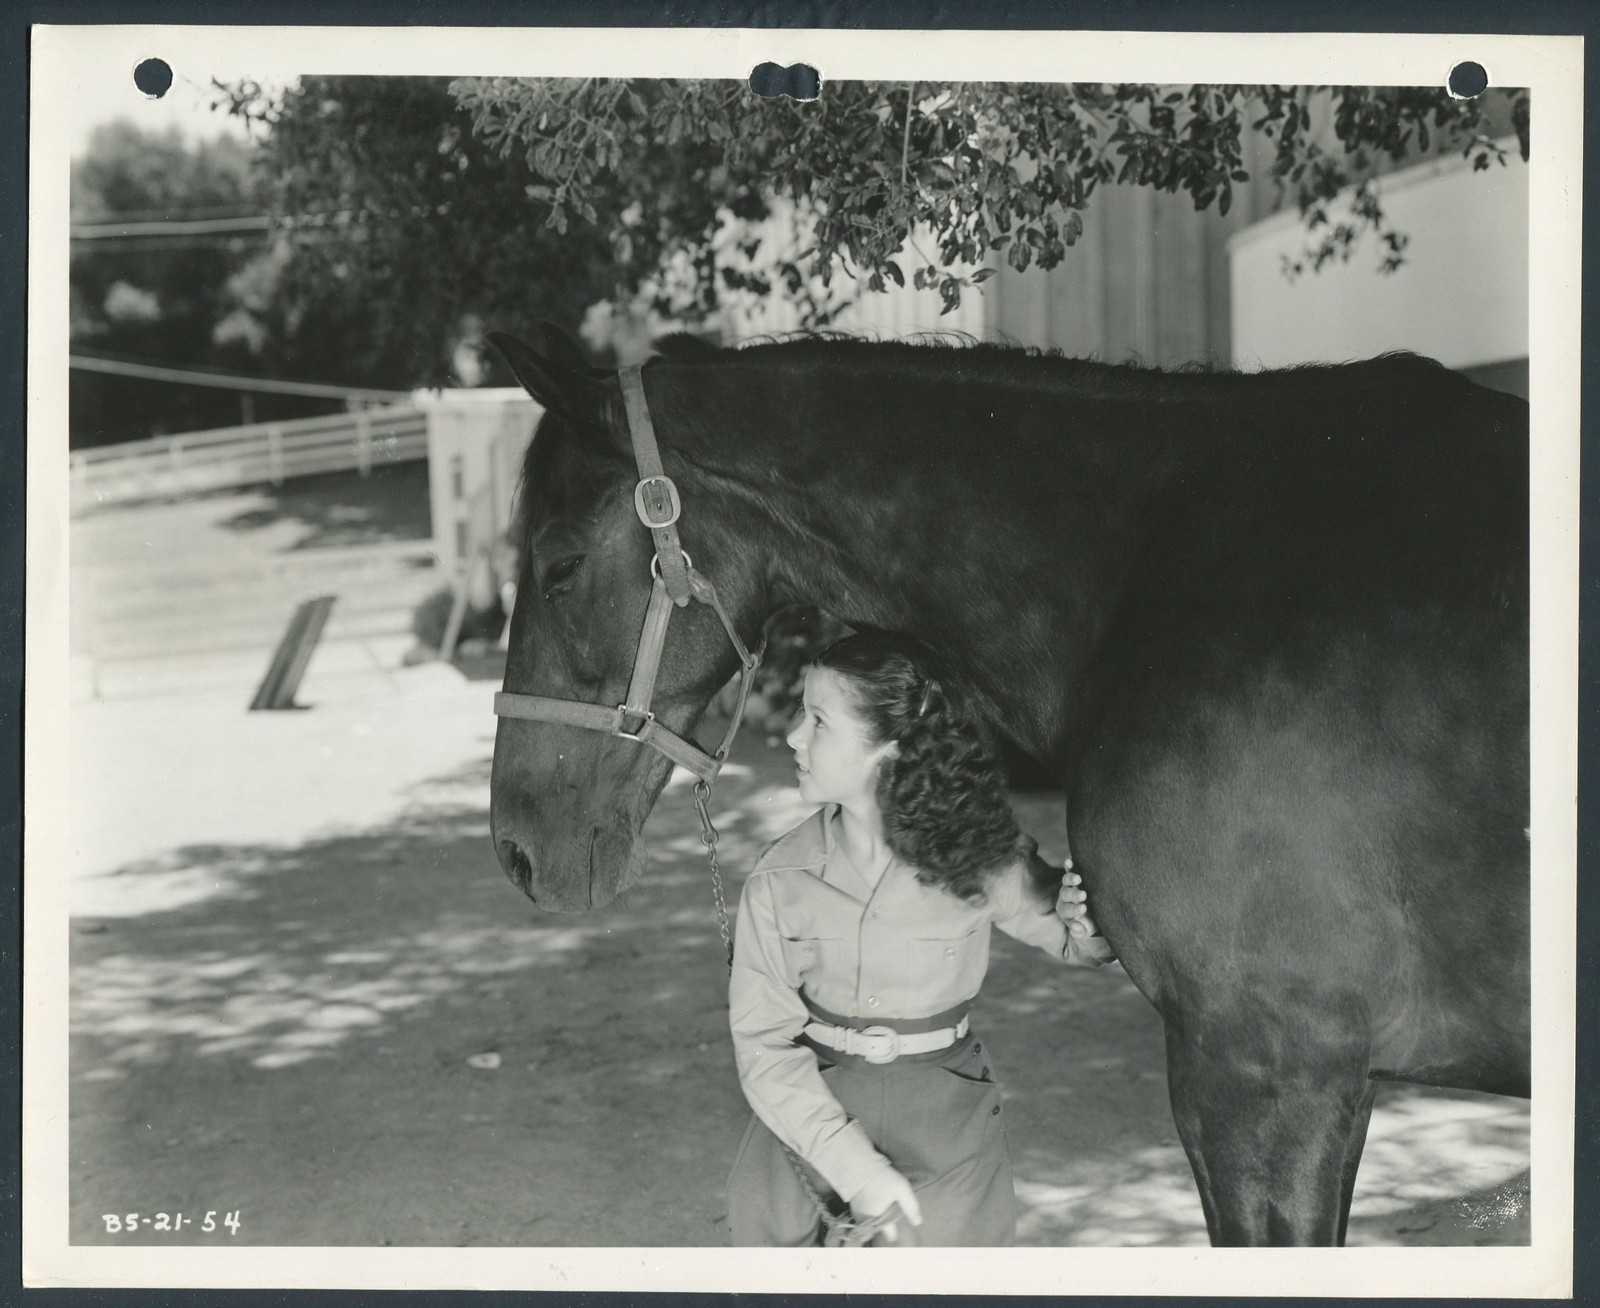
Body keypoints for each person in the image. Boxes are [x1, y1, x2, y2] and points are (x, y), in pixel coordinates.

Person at [726, 632, 1115, 1247]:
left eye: (819, 720)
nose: (794, 736)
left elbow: (1086, 947)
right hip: (808, 1123)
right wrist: (858, 1173)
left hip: (948, 1129)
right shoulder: (779, 881)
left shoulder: (982, 857)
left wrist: (1084, 918)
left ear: (891, 746)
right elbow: (763, 1046)